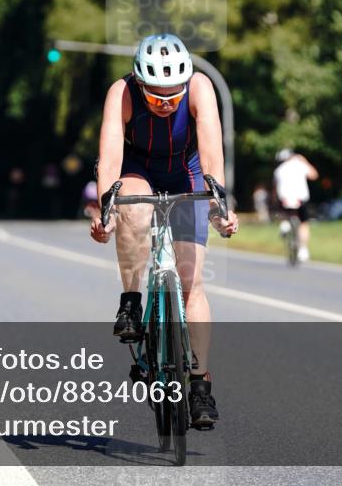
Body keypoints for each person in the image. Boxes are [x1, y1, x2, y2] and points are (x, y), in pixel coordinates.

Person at [89, 33, 239, 428]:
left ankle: (200, 386)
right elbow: (110, 157)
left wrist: (219, 206)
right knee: (133, 211)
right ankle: (130, 301)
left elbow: (212, 153)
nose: (165, 103)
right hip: (137, 169)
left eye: (173, 95)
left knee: (191, 283)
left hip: (186, 171)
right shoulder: (121, 92)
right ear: (140, 83)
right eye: (156, 96)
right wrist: (106, 212)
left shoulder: (201, 87)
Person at [273, 148, 319, 262]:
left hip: (284, 200)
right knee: (304, 223)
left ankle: (285, 224)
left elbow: (275, 188)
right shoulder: (300, 165)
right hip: (300, 199)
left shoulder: (278, 170)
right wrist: (304, 161)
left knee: (283, 213)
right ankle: (303, 249)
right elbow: (314, 175)